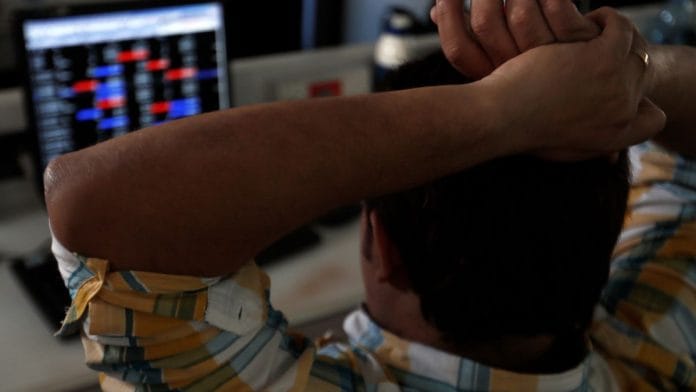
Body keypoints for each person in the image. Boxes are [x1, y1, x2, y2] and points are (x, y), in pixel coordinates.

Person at [44, 1, 694, 391]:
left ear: (384, 248)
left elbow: (95, 200)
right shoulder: (655, 341)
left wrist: (505, 112)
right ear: (612, 227)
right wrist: (612, 77)